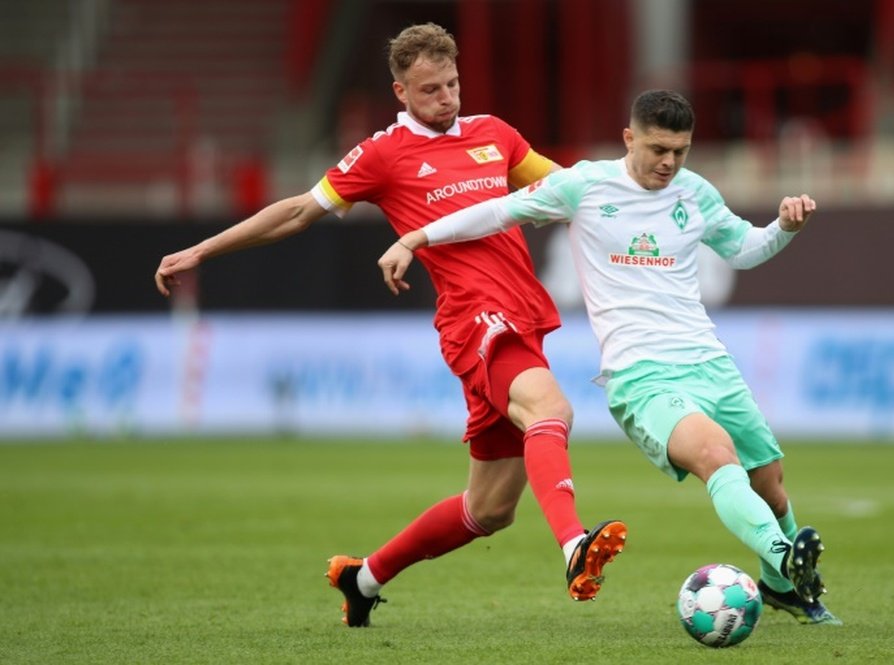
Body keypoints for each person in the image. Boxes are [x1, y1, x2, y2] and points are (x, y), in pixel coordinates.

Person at [153, 22, 626, 628]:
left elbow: (566, 187)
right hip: (473, 320)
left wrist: (636, 189)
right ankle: (573, 547)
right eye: (429, 89)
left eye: (452, 84)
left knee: (489, 509)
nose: (446, 98)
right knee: (551, 410)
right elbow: (299, 210)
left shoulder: (495, 135)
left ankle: (364, 577)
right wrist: (202, 251)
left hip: (521, 317)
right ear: (400, 92)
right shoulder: (383, 154)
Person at [377, 89, 842, 625]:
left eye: (680, 151)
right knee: (716, 455)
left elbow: (744, 248)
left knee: (771, 481)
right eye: (658, 149)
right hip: (640, 374)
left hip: (709, 360)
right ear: (629, 138)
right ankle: (784, 554)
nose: (668, 163)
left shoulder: (695, 193)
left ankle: (782, 586)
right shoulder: (585, 185)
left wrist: (784, 228)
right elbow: (496, 212)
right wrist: (416, 236)